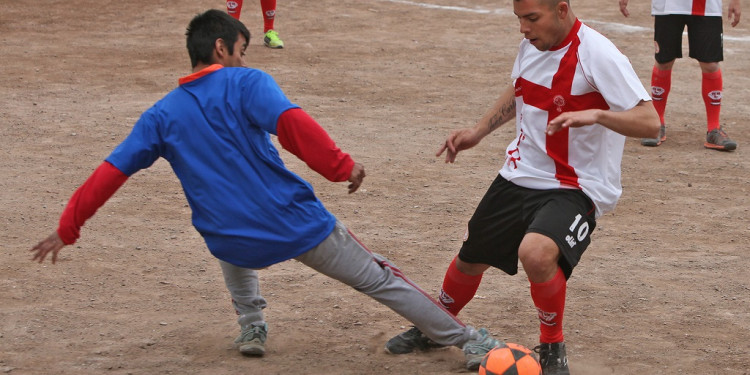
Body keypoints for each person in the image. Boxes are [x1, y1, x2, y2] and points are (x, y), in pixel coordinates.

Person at [29, 9, 501, 371]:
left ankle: (251, 324)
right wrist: (342, 167)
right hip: (291, 223)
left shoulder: (161, 114)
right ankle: (468, 340)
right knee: (378, 276)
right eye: (240, 50)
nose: (243, 59)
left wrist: (67, 229)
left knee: (225, 227)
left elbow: (110, 172)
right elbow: (293, 126)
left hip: (229, 236)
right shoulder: (245, 81)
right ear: (220, 49)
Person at [383, 0, 660, 374]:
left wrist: (596, 114)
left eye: (532, 18)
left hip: (575, 185)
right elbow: (520, 89)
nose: (524, 29)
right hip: (519, 173)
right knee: (471, 256)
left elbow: (650, 121)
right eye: (519, 19)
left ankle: (552, 347)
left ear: (561, 10)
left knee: (537, 253)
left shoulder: (599, 55)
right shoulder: (533, 44)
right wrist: (478, 131)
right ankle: (437, 326)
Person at [619, 0, 741, 150]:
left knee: (710, 64)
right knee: (664, 61)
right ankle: (656, 124)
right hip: (668, 6)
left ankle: (714, 129)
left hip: (707, 6)